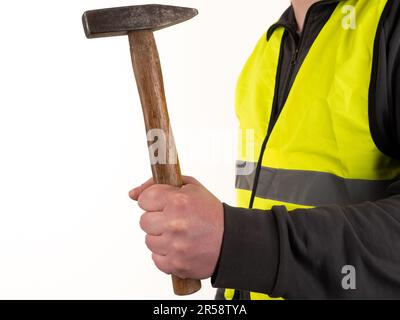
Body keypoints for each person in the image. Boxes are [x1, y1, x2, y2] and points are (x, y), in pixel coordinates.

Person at [129, 0, 400, 299]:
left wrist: (237, 239)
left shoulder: (390, 24)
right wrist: (219, 235)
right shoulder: (268, 49)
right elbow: (258, 212)